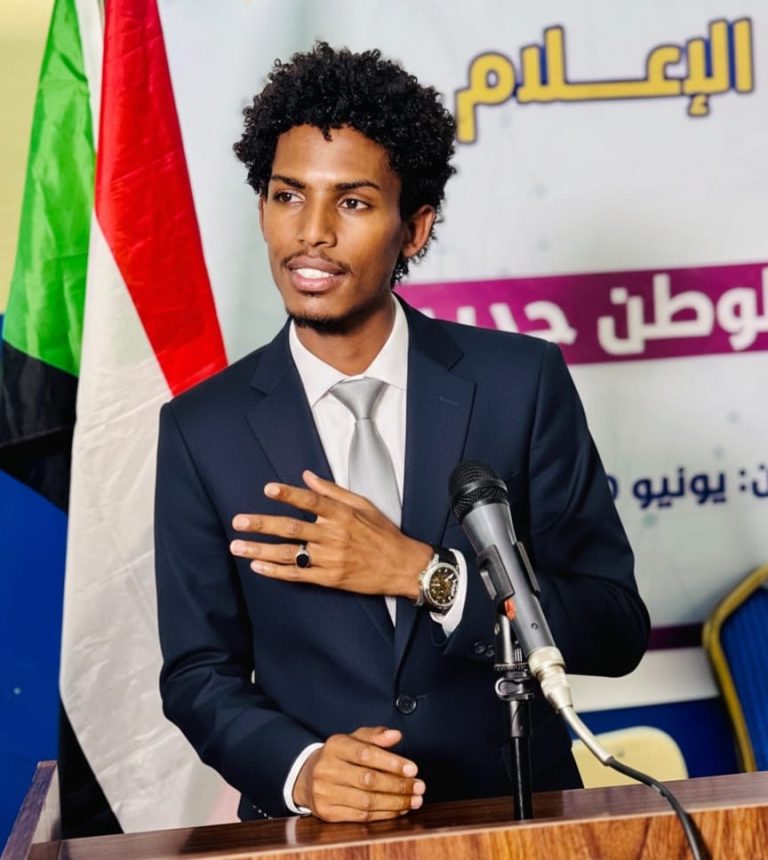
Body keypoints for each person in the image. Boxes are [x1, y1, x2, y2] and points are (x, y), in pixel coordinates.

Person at [154, 42, 649, 824]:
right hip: (316, 837)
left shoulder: (520, 383)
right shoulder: (200, 429)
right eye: (287, 196)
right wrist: (302, 772)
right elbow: (197, 674)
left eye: (352, 202)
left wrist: (427, 574)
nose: (312, 232)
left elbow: (613, 627)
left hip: (516, 819)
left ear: (414, 228)